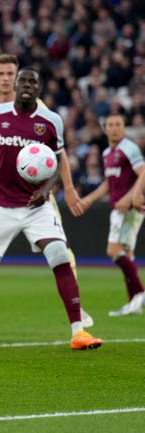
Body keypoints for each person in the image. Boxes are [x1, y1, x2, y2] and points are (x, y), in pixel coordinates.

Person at [0, 54, 93, 350]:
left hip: (36, 205)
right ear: (14, 86)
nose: (26, 85)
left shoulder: (51, 121)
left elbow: (57, 160)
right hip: (0, 204)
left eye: (32, 81)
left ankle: (79, 331)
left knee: (60, 255)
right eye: (22, 81)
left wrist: (48, 189)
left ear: (39, 89)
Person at [80, 113, 145, 316]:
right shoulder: (108, 152)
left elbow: (143, 171)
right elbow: (109, 183)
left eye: (118, 124)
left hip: (126, 208)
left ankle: (140, 293)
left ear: (124, 127)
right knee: (127, 255)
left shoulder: (129, 148)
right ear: (105, 128)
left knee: (113, 250)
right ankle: (133, 302)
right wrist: (89, 199)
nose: (115, 128)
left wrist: (132, 196)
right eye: (111, 124)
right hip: (118, 207)